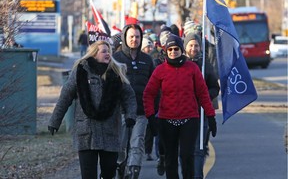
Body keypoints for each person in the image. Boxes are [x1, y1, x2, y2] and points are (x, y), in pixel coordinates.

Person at [48, 40, 137, 179]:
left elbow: (129, 96)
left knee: (109, 172)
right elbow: (65, 96)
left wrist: (130, 116)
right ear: (94, 54)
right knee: (88, 174)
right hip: (86, 133)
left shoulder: (116, 73)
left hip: (110, 132)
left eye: (109, 51)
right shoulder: (80, 71)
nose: (108, 54)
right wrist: (55, 121)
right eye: (104, 51)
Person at [143, 35, 217, 179]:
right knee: (171, 158)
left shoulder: (192, 68)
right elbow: (148, 94)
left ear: (181, 50)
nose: (173, 52)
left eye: (176, 49)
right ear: (166, 51)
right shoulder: (160, 70)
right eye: (169, 49)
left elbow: (203, 93)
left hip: (189, 118)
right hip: (167, 120)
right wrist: (151, 116)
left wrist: (211, 116)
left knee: (186, 156)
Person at [113, 23, 155, 178]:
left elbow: (154, 86)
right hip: (121, 112)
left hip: (141, 111)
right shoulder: (116, 59)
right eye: (131, 36)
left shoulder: (147, 60)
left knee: (137, 144)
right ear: (125, 37)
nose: (134, 40)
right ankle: (120, 170)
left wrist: (153, 109)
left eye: (137, 37)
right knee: (121, 146)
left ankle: (133, 172)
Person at [183, 33, 220, 179]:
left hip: (201, 113)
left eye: (196, 45)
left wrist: (204, 96)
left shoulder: (205, 64)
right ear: (185, 46)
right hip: (182, 113)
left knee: (199, 149)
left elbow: (214, 88)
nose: (193, 48)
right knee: (186, 150)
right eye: (191, 45)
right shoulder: (179, 62)